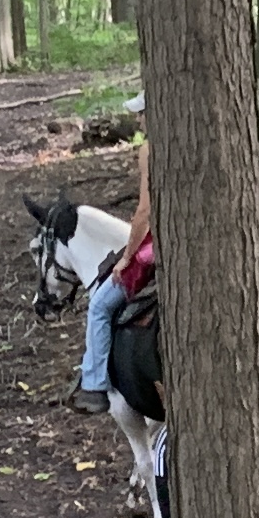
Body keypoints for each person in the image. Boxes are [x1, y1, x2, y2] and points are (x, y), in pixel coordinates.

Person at [70, 125, 152, 404]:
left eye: (141, 114)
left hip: (157, 246)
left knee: (99, 306)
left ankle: (94, 384)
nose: (139, 122)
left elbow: (144, 211)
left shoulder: (150, 150)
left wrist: (127, 258)